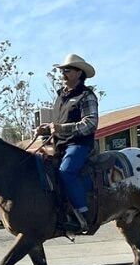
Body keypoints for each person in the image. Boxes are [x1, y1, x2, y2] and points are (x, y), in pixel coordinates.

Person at [34, 54, 99, 233]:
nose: (62, 73)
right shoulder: (60, 97)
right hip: (59, 145)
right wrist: (45, 129)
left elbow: (91, 124)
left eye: (67, 70)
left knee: (66, 172)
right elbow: (57, 126)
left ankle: (83, 216)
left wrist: (61, 128)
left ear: (79, 73)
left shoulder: (86, 96)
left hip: (79, 145)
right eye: (62, 70)